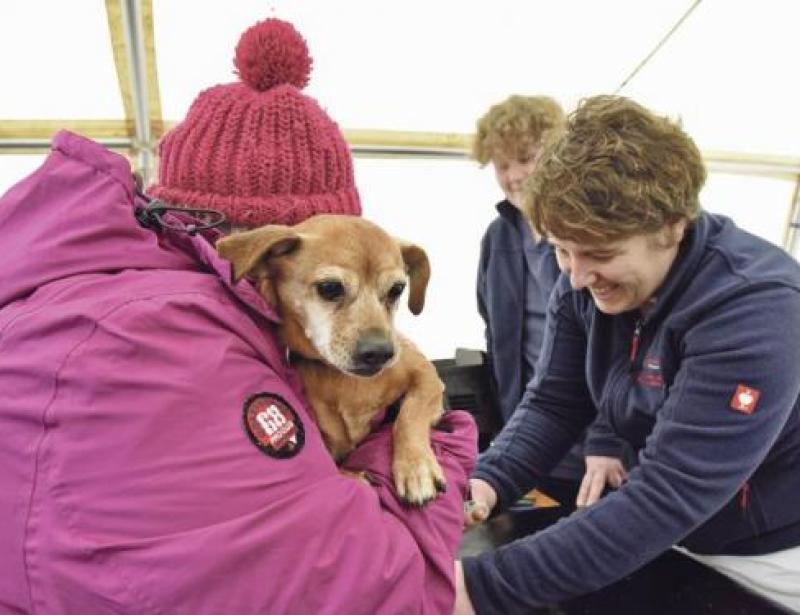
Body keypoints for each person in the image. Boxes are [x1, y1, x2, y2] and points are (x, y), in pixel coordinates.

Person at [0, 18, 477, 614]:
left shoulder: (52, 288)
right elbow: (385, 588)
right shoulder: (172, 339)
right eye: (330, 287)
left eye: (388, 294)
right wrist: (449, 450)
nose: (375, 323)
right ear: (261, 253)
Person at [455, 95, 800, 614]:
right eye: (561, 250)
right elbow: (554, 402)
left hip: (769, 557)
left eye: (600, 254)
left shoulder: (755, 311)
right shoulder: (586, 283)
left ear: (671, 225)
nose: (574, 275)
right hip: (667, 539)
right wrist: (486, 481)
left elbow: (668, 493)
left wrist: (477, 589)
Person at [472, 95, 629, 510]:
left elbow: (622, 341)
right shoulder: (497, 237)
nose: (514, 176)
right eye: (502, 165)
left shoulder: (591, 236)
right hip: (533, 437)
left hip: (601, 447)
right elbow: (494, 329)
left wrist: (608, 434)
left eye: (525, 159)